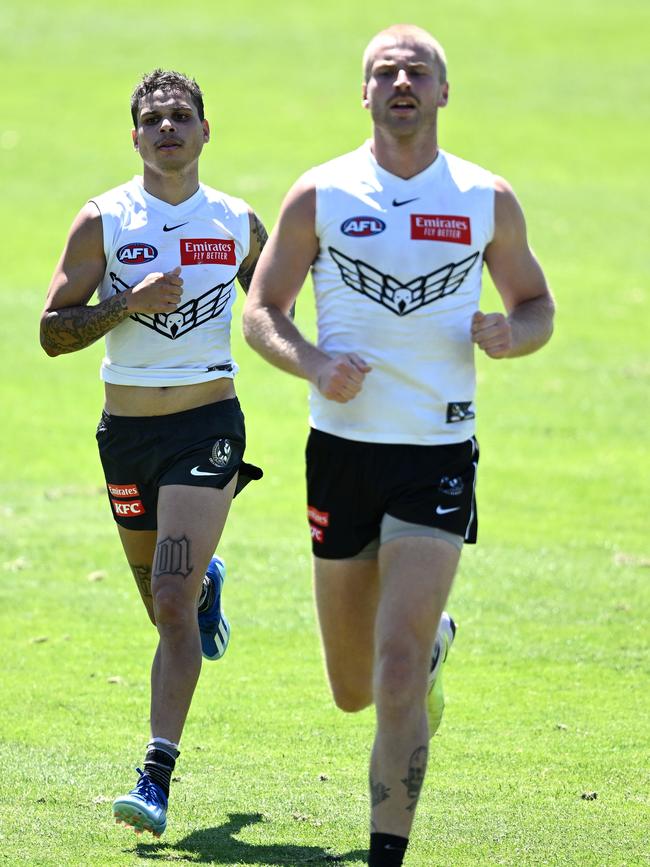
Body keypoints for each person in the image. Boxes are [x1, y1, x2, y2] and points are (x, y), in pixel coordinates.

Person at [242, 24, 555, 867]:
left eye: (418, 70)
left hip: (437, 453)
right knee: (352, 688)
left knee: (394, 666)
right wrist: (312, 363)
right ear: (366, 93)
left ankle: (388, 852)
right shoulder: (321, 194)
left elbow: (536, 305)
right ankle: (436, 644)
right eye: (385, 72)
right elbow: (261, 309)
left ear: (445, 92)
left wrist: (509, 334)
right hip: (342, 451)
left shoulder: (487, 198)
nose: (402, 81)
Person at [40, 69, 266, 839]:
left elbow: (273, 306)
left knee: (168, 598)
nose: (167, 128)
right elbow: (51, 332)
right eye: (153, 118)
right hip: (126, 435)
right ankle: (206, 589)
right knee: (164, 605)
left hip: (208, 426)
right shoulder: (104, 220)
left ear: (207, 131)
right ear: (134, 136)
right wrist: (126, 302)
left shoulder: (237, 221)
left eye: (181, 116)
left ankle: (155, 774)